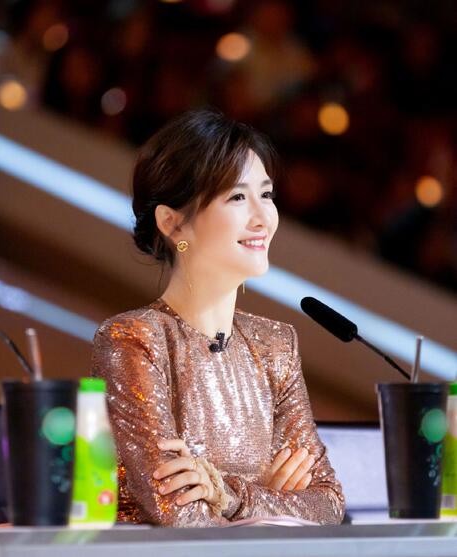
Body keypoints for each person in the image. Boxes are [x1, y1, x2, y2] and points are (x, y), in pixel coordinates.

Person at [92, 109, 345, 527]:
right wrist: (270, 500)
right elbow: (178, 513)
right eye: (237, 197)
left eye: (266, 194)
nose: (263, 218)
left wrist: (225, 493)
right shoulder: (134, 339)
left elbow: (329, 504)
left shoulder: (276, 345)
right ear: (173, 224)